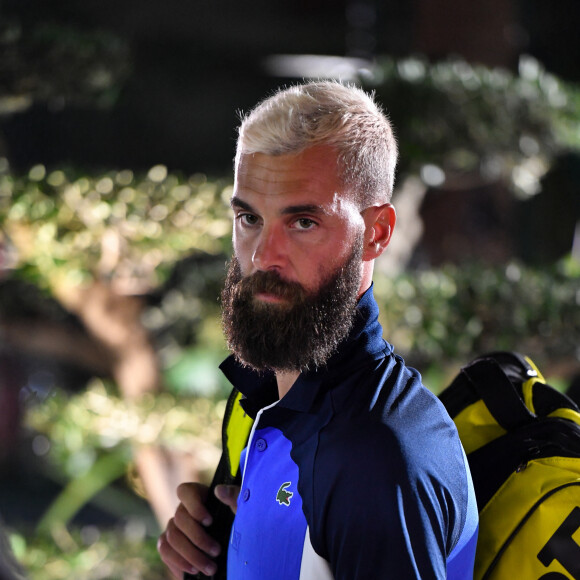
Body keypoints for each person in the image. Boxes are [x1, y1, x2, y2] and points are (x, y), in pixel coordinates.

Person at [158, 81, 479, 579]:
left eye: (303, 222)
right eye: (249, 218)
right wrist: (213, 553)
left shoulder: (372, 456)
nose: (263, 256)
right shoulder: (261, 393)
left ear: (377, 233)